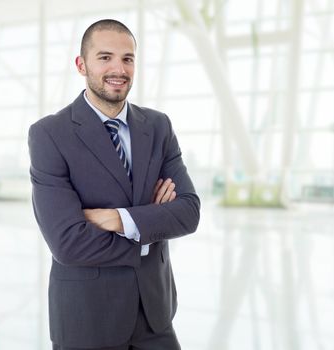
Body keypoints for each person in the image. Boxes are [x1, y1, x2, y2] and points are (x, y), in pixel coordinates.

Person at [28, 19, 200, 350]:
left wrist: (117, 218)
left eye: (127, 58)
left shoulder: (158, 126)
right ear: (82, 65)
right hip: (87, 320)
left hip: (155, 315)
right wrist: (150, 223)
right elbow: (67, 242)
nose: (118, 69)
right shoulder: (50, 134)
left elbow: (189, 212)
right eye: (105, 57)